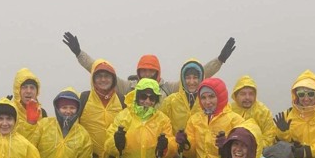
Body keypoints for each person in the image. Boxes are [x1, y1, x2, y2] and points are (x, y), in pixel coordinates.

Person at [61, 31, 237, 101]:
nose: (146, 74)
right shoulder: (129, 88)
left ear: (157, 71)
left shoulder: (168, 88)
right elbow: (102, 73)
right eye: (143, 70)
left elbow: (197, 76)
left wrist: (220, 60)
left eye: (150, 70)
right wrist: (79, 53)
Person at [230, 75, 277, 148]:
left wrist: (253, 149)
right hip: (233, 152)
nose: (247, 97)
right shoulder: (229, 110)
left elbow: (269, 137)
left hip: (257, 152)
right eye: (243, 94)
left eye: (251, 94)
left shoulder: (263, 111)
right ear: (235, 96)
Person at [10, 68, 47, 144]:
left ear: (37, 92)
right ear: (17, 90)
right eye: (24, 87)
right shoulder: (10, 112)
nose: (28, 91)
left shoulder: (41, 113)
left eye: (32, 88)